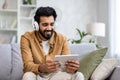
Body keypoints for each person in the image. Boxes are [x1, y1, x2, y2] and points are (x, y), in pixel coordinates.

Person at [20, 6, 84, 80]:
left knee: (79, 75)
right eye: (45, 25)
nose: (49, 28)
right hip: (37, 75)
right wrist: (42, 68)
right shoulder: (26, 38)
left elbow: (66, 69)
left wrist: (72, 68)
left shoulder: (62, 39)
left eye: (52, 24)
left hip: (56, 76)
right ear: (36, 25)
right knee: (27, 76)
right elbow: (27, 66)